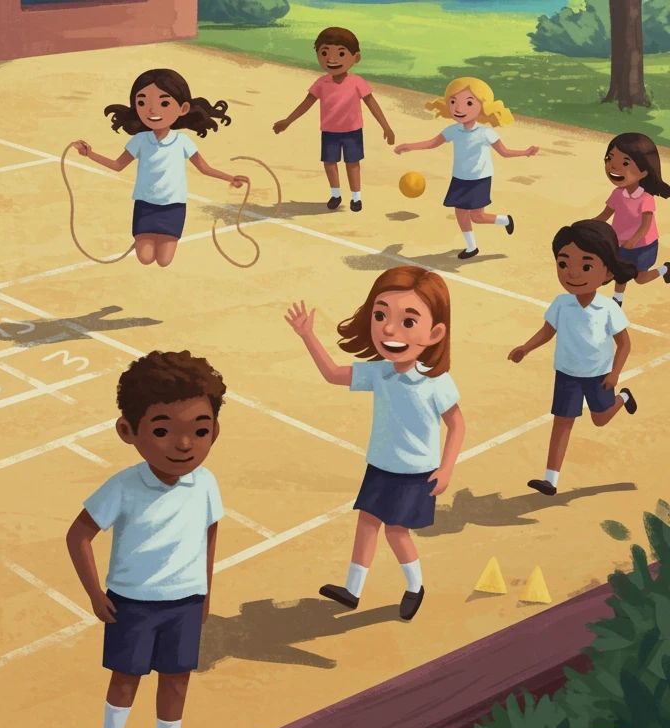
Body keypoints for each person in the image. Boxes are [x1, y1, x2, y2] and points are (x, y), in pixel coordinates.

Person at [66, 350, 226, 728]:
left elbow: (210, 530)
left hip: (186, 602)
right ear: (127, 431)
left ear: (215, 432)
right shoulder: (123, 486)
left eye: (200, 430)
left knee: (177, 678)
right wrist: (96, 594)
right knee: (125, 677)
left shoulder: (206, 482)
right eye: (162, 430)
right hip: (131, 602)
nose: (184, 444)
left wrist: (206, 589)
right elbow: (78, 534)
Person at [285, 266, 465, 620]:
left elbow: (457, 425)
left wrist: (445, 470)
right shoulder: (379, 371)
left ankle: (415, 586)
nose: (388, 328)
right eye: (380, 315)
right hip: (380, 465)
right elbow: (333, 374)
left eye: (407, 321)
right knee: (367, 522)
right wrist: (307, 336)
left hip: (415, 472)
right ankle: (352, 589)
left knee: (396, 532)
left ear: (436, 332)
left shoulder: (435, 381)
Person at [508, 220, 638, 497]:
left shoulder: (608, 308)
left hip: (598, 375)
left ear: (607, 271)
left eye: (586, 266)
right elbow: (547, 331)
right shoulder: (560, 303)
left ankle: (623, 397)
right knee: (562, 422)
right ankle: (550, 480)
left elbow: (625, 344)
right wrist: (525, 348)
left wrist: (615, 375)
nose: (573, 273)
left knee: (600, 420)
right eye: (563, 264)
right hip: (566, 375)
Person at [71, 69, 247, 266]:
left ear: (183, 108)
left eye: (164, 103)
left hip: (173, 207)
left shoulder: (182, 141)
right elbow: (118, 165)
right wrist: (90, 154)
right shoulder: (139, 140)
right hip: (145, 206)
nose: (152, 110)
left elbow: (204, 167)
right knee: (145, 258)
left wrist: (230, 178)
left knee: (163, 261)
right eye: (142, 103)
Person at [394, 77, 537, 259]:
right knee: (461, 213)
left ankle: (505, 220)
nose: (459, 108)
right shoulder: (453, 130)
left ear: (483, 106)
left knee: (477, 216)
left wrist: (525, 152)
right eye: (453, 102)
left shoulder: (486, 133)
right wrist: (410, 146)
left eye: (469, 103)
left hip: (480, 179)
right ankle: (472, 248)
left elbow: (504, 152)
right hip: (460, 178)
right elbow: (432, 143)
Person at [272, 27, 395, 212]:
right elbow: (306, 103)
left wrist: (386, 127)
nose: (332, 59)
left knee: (352, 164)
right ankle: (336, 195)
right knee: (330, 163)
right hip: (329, 131)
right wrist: (288, 121)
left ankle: (356, 197)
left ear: (356, 57)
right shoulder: (321, 83)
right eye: (324, 53)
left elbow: (372, 104)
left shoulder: (357, 82)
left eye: (341, 53)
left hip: (353, 131)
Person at [592, 132, 670, 305]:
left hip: (644, 246)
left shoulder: (645, 198)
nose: (613, 167)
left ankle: (666, 269)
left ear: (644, 172)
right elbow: (605, 215)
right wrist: (588, 225)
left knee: (640, 279)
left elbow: (645, 226)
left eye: (625, 163)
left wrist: (632, 241)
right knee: (621, 274)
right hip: (620, 243)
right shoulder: (617, 194)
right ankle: (617, 301)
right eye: (609, 159)